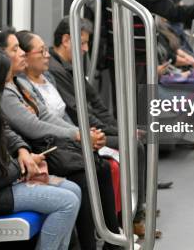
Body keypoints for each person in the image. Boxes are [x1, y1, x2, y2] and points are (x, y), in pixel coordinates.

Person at [0, 28, 122, 250]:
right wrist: (77, 135)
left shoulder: (21, 84)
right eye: (16, 50)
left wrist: (81, 133)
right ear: (0, 56)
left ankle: (111, 237)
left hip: (47, 145)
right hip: (39, 149)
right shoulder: (4, 94)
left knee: (99, 167)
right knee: (83, 177)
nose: (23, 54)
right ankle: (89, 244)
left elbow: (46, 114)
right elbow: (33, 127)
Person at [46, 16, 164, 238]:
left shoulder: (71, 67)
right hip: (77, 134)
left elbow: (95, 103)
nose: (85, 49)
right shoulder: (55, 70)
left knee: (138, 138)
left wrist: (119, 127)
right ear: (65, 39)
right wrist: (118, 132)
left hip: (90, 129)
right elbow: (77, 111)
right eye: (82, 43)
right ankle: (133, 218)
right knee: (135, 146)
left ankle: (139, 204)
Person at [0, 47, 81, 250]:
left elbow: (7, 134)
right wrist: (22, 167)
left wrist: (23, 152)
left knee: (73, 189)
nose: (8, 85)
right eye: (5, 81)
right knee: (67, 202)